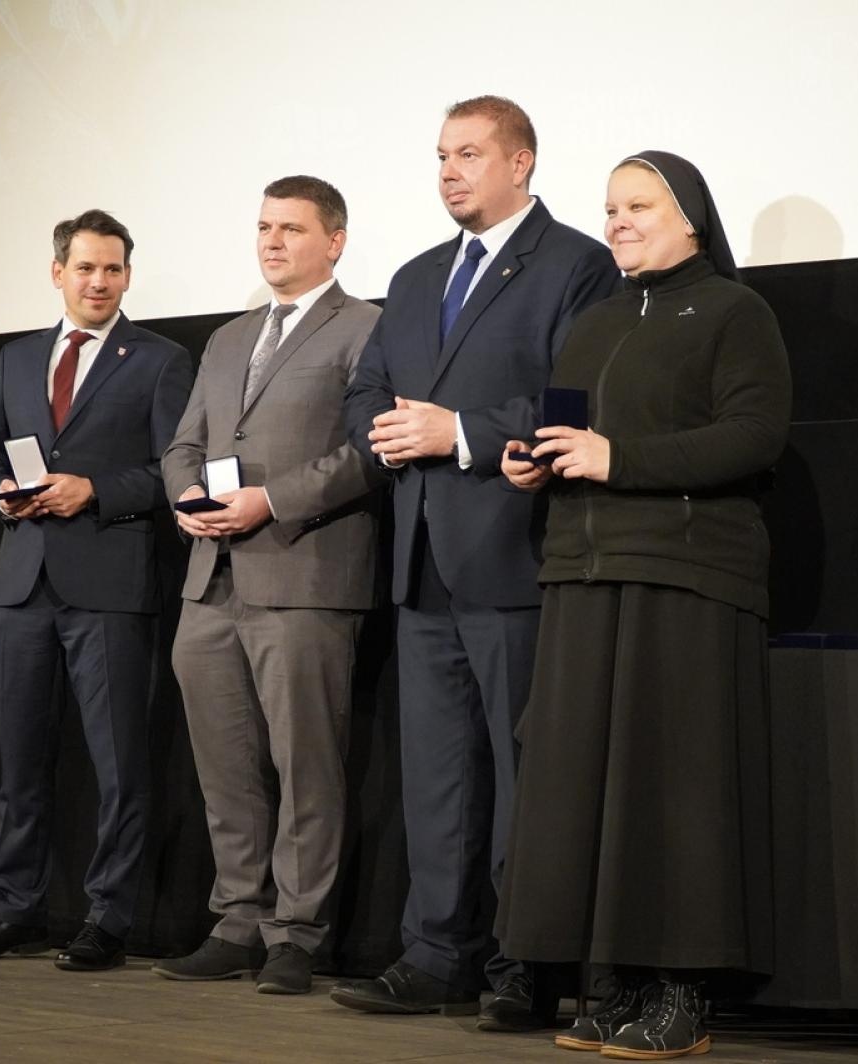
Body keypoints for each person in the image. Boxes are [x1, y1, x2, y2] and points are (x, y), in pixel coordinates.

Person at [493, 151, 792, 1059]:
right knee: (588, 789)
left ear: (691, 216)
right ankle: (612, 977)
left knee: (679, 788)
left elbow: (753, 436)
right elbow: (567, 432)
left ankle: (682, 990)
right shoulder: (596, 322)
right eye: (611, 208)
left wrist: (619, 459)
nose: (618, 221)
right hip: (584, 574)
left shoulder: (737, 313)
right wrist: (531, 461)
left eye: (638, 205)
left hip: (687, 576)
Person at [331, 96, 621, 1029]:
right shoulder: (416, 277)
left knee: (522, 773)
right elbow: (368, 389)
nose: (450, 171)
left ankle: (524, 964)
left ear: (522, 162)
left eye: (469, 154)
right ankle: (435, 952)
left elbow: (574, 399)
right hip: (420, 562)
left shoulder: (576, 265)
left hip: (515, 555)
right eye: (441, 156)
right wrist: (385, 431)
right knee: (439, 776)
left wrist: (457, 431)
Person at [0, 209, 193, 970]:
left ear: (127, 275)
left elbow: (170, 471)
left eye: (113, 269)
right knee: (20, 765)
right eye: (86, 268)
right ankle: (15, 909)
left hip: (109, 586)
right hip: (22, 584)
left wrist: (94, 489)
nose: (99, 281)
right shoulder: (19, 358)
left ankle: (107, 920)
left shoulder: (159, 359)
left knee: (119, 766)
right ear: (59, 273)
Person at [153, 176, 384, 995]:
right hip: (210, 581)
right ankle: (239, 917)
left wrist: (272, 500)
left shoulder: (366, 329)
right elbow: (185, 443)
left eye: (291, 227)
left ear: (336, 240)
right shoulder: (226, 338)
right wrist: (186, 494)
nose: (272, 241)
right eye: (263, 226)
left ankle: (298, 932)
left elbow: (370, 452)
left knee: (305, 764)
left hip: (305, 573)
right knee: (225, 765)